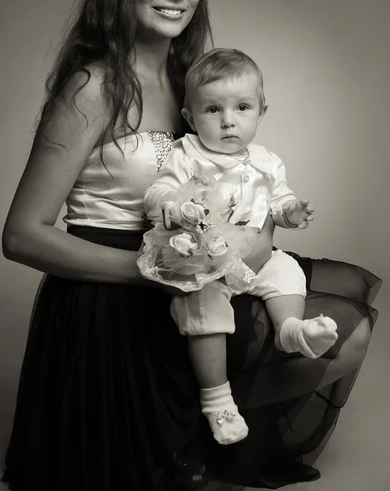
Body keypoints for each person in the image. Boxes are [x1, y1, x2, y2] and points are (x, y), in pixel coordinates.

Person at [0, 0, 379, 491]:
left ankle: (215, 435)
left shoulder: (191, 80)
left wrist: (259, 237)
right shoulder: (93, 86)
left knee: (347, 310)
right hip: (116, 295)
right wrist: (154, 272)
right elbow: (21, 235)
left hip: (200, 267)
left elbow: (239, 176)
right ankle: (191, 442)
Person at [142, 48, 338, 445]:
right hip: (207, 264)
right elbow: (155, 193)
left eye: (242, 107)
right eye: (212, 109)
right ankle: (217, 400)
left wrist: (291, 212)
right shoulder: (186, 155)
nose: (228, 120)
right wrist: (175, 205)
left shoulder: (267, 162)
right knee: (202, 307)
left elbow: (278, 202)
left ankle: (290, 328)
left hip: (256, 261)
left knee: (287, 272)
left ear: (261, 112)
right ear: (190, 117)